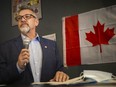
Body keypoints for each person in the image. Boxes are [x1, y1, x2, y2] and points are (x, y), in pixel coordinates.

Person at [0, 6, 69, 85]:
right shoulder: (5, 47)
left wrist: (61, 73)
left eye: (27, 16)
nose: (22, 19)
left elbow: (60, 68)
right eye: (19, 18)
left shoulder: (52, 45)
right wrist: (18, 66)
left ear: (36, 22)